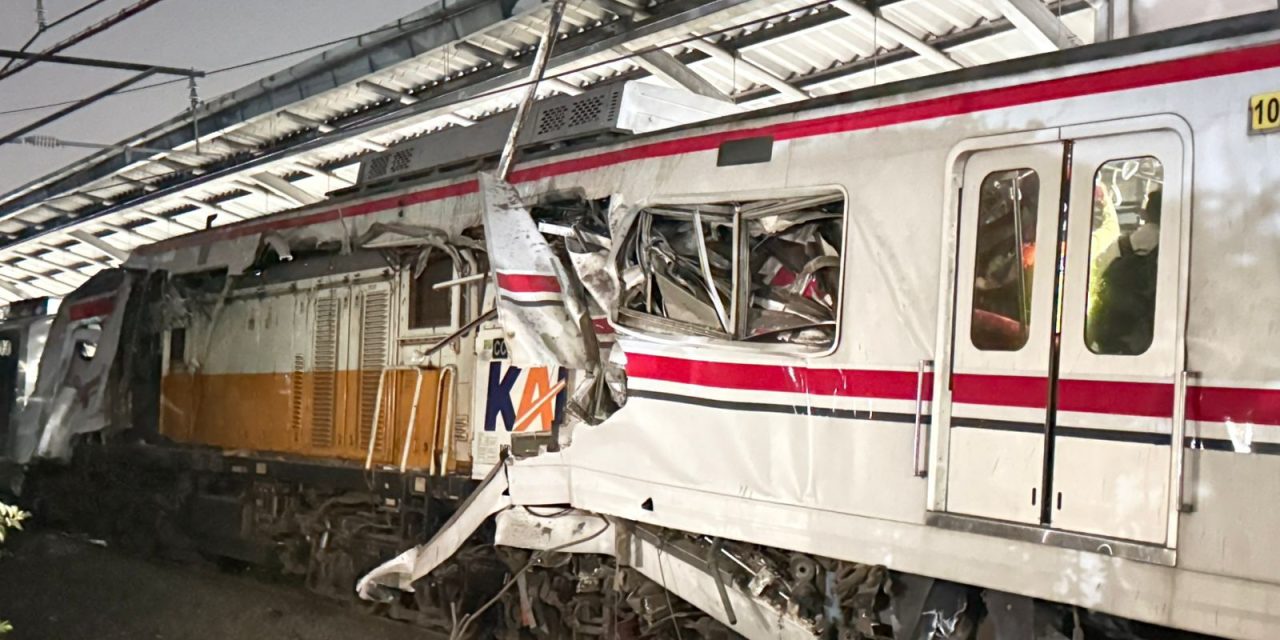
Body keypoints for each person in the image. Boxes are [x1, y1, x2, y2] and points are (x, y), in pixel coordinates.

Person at [1086, 190, 1161, 355]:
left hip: (1112, 334)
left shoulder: (1119, 247)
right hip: (1148, 338)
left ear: (1145, 214)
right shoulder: (1175, 252)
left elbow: (1096, 282)